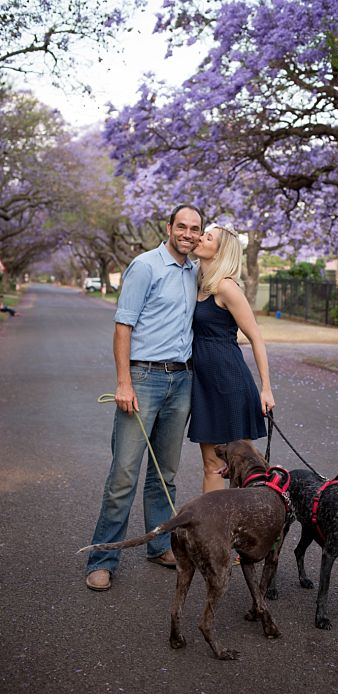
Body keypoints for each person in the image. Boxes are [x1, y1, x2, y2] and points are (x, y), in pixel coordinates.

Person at [85, 204, 204, 591]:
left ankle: (159, 547)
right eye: (182, 226)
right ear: (169, 227)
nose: (187, 233)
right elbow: (123, 325)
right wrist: (124, 382)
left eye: (195, 229)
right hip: (144, 377)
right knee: (123, 475)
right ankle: (102, 558)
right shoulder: (145, 266)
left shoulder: (194, 271)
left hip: (181, 381)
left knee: (165, 475)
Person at [187, 222, 274, 494]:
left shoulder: (227, 288)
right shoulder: (197, 282)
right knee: (211, 465)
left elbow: (256, 337)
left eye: (208, 237)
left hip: (230, 384)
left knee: (240, 468)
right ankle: (212, 532)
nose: (200, 238)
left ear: (220, 251)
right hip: (205, 386)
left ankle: (245, 528)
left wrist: (266, 389)